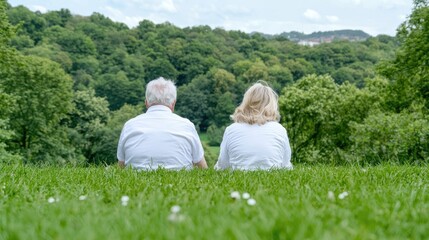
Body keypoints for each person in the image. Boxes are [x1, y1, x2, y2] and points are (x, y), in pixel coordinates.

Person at [117, 77, 208, 170]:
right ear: (173, 104)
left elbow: (121, 166)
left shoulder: (129, 125)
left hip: (136, 183)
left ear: (146, 103)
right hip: (180, 183)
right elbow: (202, 168)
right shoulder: (187, 125)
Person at [214, 81, 292, 170]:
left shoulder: (231, 130)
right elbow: (286, 165)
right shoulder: (279, 129)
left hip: (238, 180)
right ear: (272, 104)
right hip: (274, 181)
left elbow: (223, 165)